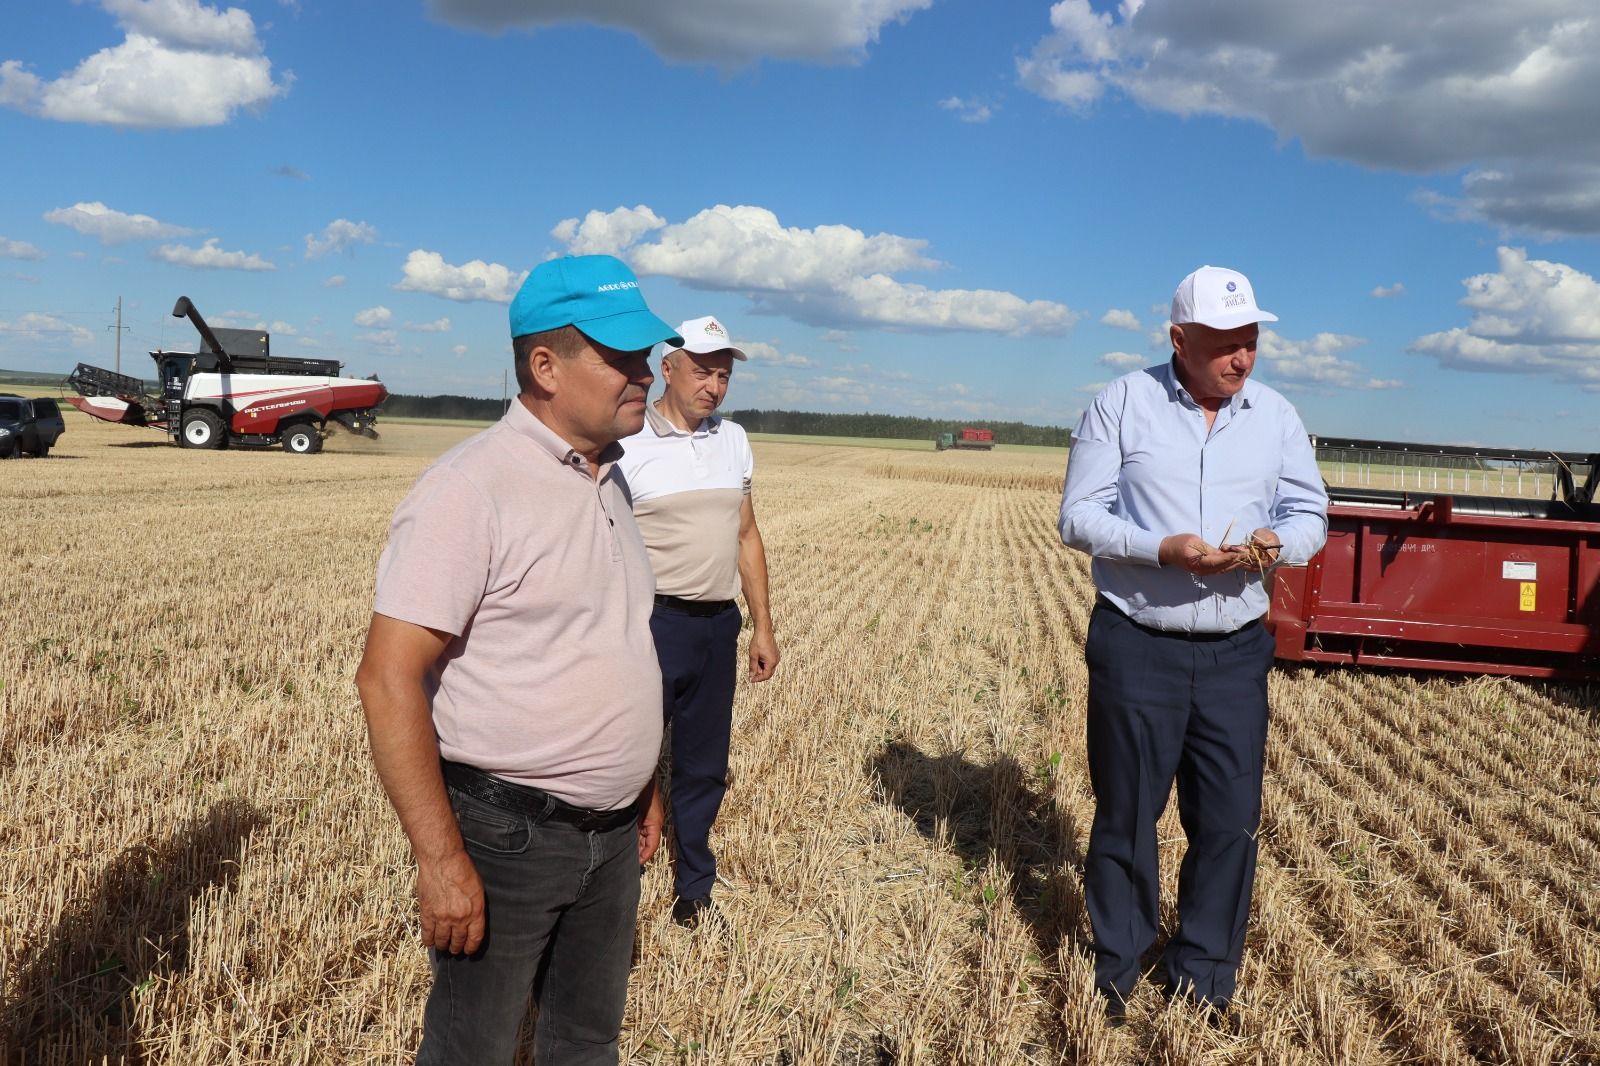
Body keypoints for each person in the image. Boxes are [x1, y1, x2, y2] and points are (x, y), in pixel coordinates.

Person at [355, 254, 682, 1065]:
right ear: (544, 367)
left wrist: (641, 784)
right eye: (620, 357)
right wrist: (440, 860)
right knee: (474, 1050)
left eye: (645, 356)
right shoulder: (470, 490)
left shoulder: (610, 481)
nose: (646, 373)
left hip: (610, 845)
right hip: (508, 840)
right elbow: (386, 677)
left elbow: (608, 641)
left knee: (584, 1043)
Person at [1058, 265, 1328, 1023]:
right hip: (1138, 642)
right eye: (1224, 344)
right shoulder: (1122, 404)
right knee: (1127, 815)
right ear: (1178, 339)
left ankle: (1205, 974)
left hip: (1236, 650)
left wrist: (1280, 540)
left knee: (1229, 820)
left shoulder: (1275, 416)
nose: (1242, 358)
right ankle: (1117, 969)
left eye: (1251, 342)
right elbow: (1078, 516)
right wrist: (1160, 548)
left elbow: (1313, 512)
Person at [616, 315, 780, 928]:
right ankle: (616, 880)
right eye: (703, 371)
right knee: (627, 754)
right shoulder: (628, 443)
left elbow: (746, 533)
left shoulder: (732, 439)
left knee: (704, 762)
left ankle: (694, 887)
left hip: (718, 624)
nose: (714, 385)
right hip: (651, 622)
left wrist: (761, 624)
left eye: (724, 375)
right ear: (668, 368)